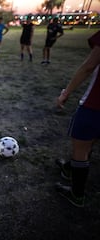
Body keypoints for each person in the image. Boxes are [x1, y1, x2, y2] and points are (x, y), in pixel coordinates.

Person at [55, 30, 100, 208]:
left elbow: (89, 66)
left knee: (81, 143)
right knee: (90, 140)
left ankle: (77, 194)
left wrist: (65, 93)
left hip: (95, 104)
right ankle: (69, 167)